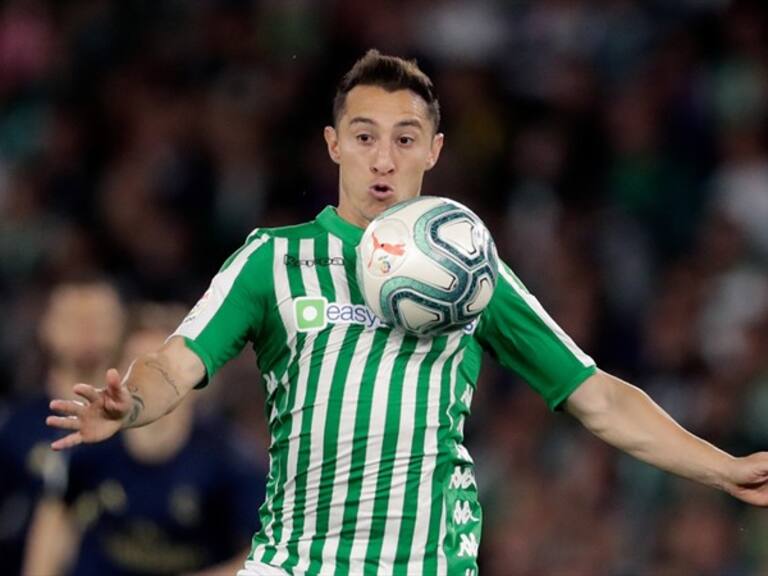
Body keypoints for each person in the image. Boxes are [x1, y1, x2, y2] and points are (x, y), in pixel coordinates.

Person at [47, 50, 768, 576]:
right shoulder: (274, 259)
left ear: (434, 151)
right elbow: (175, 363)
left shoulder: (471, 273)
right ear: (334, 145)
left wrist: (723, 467)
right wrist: (131, 402)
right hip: (293, 564)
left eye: (404, 138)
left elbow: (598, 396)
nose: (383, 159)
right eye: (364, 137)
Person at [26, 302, 264, 576]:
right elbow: (54, 515)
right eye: (135, 364)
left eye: (161, 367)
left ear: (196, 379)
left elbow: (265, 553)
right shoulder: (90, 445)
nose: (148, 381)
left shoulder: (231, 460)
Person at [0, 280, 125, 575]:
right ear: (46, 327)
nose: (87, 330)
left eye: (99, 319)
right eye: (73, 319)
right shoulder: (12, 427)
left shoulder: (146, 427)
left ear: (122, 327)